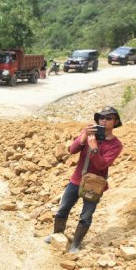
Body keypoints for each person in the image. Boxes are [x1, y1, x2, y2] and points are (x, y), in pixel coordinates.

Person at [45, 106, 124, 254]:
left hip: (95, 185)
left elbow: (101, 164)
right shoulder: (88, 133)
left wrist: (94, 147)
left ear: (115, 122)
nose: (104, 121)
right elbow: (72, 150)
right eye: (102, 118)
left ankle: (76, 244)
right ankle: (57, 235)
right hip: (76, 179)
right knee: (62, 209)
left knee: (86, 216)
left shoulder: (116, 145)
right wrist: (83, 137)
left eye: (108, 118)